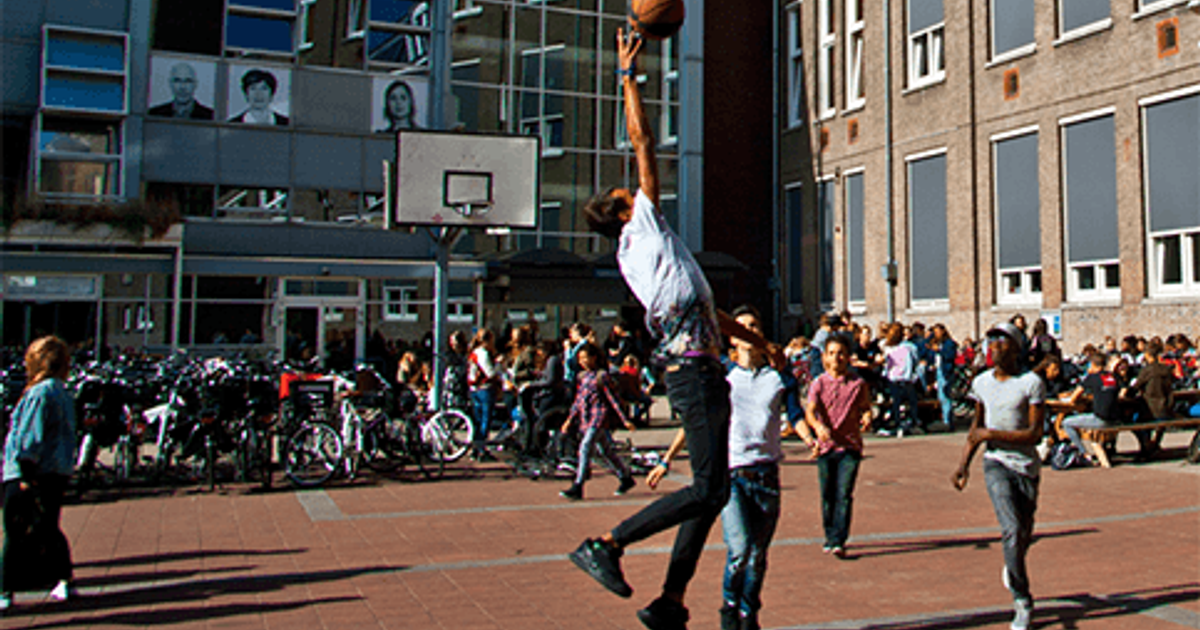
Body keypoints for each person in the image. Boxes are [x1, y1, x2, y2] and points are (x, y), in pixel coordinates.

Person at [568, 28, 784, 630]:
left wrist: (754, 342)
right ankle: (607, 544)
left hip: (702, 366)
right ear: (619, 212)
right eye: (625, 192)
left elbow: (703, 312)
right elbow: (643, 140)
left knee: (712, 491)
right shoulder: (643, 230)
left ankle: (669, 603)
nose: (634, 189)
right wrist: (628, 75)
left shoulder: (658, 257)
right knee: (710, 490)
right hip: (691, 375)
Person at [646, 305, 803, 630]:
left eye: (755, 325)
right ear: (732, 338)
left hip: (767, 473)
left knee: (758, 554)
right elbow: (694, 425)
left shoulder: (778, 377)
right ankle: (730, 607)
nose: (750, 330)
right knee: (741, 549)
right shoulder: (723, 377)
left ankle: (749, 613)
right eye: (743, 326)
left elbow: (796, 414)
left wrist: (813, 435)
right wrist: (667, 458)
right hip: (732, 474)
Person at [952, 322, 1045, 630]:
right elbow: (976, 428)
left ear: (1017, 349)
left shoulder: (1031, 383)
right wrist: (963, 464)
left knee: (1023, 533)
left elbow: (1034, 433)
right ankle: (1022, 600)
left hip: (1027, 467)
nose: (994, 348)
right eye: (991, 342)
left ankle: (1012, 563)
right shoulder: (981, 383)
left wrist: (992, 432)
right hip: (996, 463)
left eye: (1003, 343)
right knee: (1011, 528)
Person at [2, 336, 78, 611]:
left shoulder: (38, 393)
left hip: (32, 469)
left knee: (15, 529)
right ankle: (63, 579)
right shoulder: (62, 391)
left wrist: (25, 473)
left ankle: (5, 589)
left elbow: (29, 437)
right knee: (47, 525)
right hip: (56, 469)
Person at [806, 335, 873, 559]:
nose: (837, 358)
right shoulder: (818, 383)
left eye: (841, 353)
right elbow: (810, 410)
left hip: (849, 447)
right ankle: (829, 534)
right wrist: (818, 426)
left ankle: (839, 539)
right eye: (832, 353)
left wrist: (867, 416)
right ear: (824, 357)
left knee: (843, 493)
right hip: (826, 447)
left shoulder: (857, 384)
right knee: (827, 494)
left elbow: (865, 406)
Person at [559, 343, 637, 500]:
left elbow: (613, 399)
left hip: (599, 417)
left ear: (594, 358)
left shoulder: (602, 376)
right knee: (605, 451)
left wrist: (624, 419)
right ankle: (625, 476)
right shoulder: (582, 377)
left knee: (585, 446)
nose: (582, 361)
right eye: (580, 359)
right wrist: (569, 419)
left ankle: (578, 484)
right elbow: (579, 400)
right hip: (586, 418)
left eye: (585, 358)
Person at [1060, 352, 1125, 464]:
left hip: (1101, 419)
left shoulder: (1092, 378)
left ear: (1092, 365)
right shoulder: (1113, 376)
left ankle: (1084, 453)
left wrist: (1069, 398)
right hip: (1117, 419)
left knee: (1066, 423)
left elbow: (1074, 397)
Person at [467, 328, 500, 460]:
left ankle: (475, 448)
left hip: (474, 389)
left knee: (477, 419)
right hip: (484, 389)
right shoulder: (484, 354)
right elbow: (490, 373)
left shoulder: (473, 353)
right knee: (485, 420)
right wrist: (498, 365)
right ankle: (481, 449)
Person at [149, 62, 215, 119]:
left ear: (195, 84)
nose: (182, 86)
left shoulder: (211, 116)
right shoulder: (153, 114)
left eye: (188, 81)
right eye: (177, 80)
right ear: (170, 83)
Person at [929, 323, 959, 432]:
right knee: (941, 397)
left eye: (937, 332)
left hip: (946, 371)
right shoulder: (936, 343)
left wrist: (939, 351)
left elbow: (949, 356)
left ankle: (948, 421)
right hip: (938, 370)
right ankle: (945, 418)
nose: (935, 334)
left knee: (946, 396)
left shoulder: (949, 343)